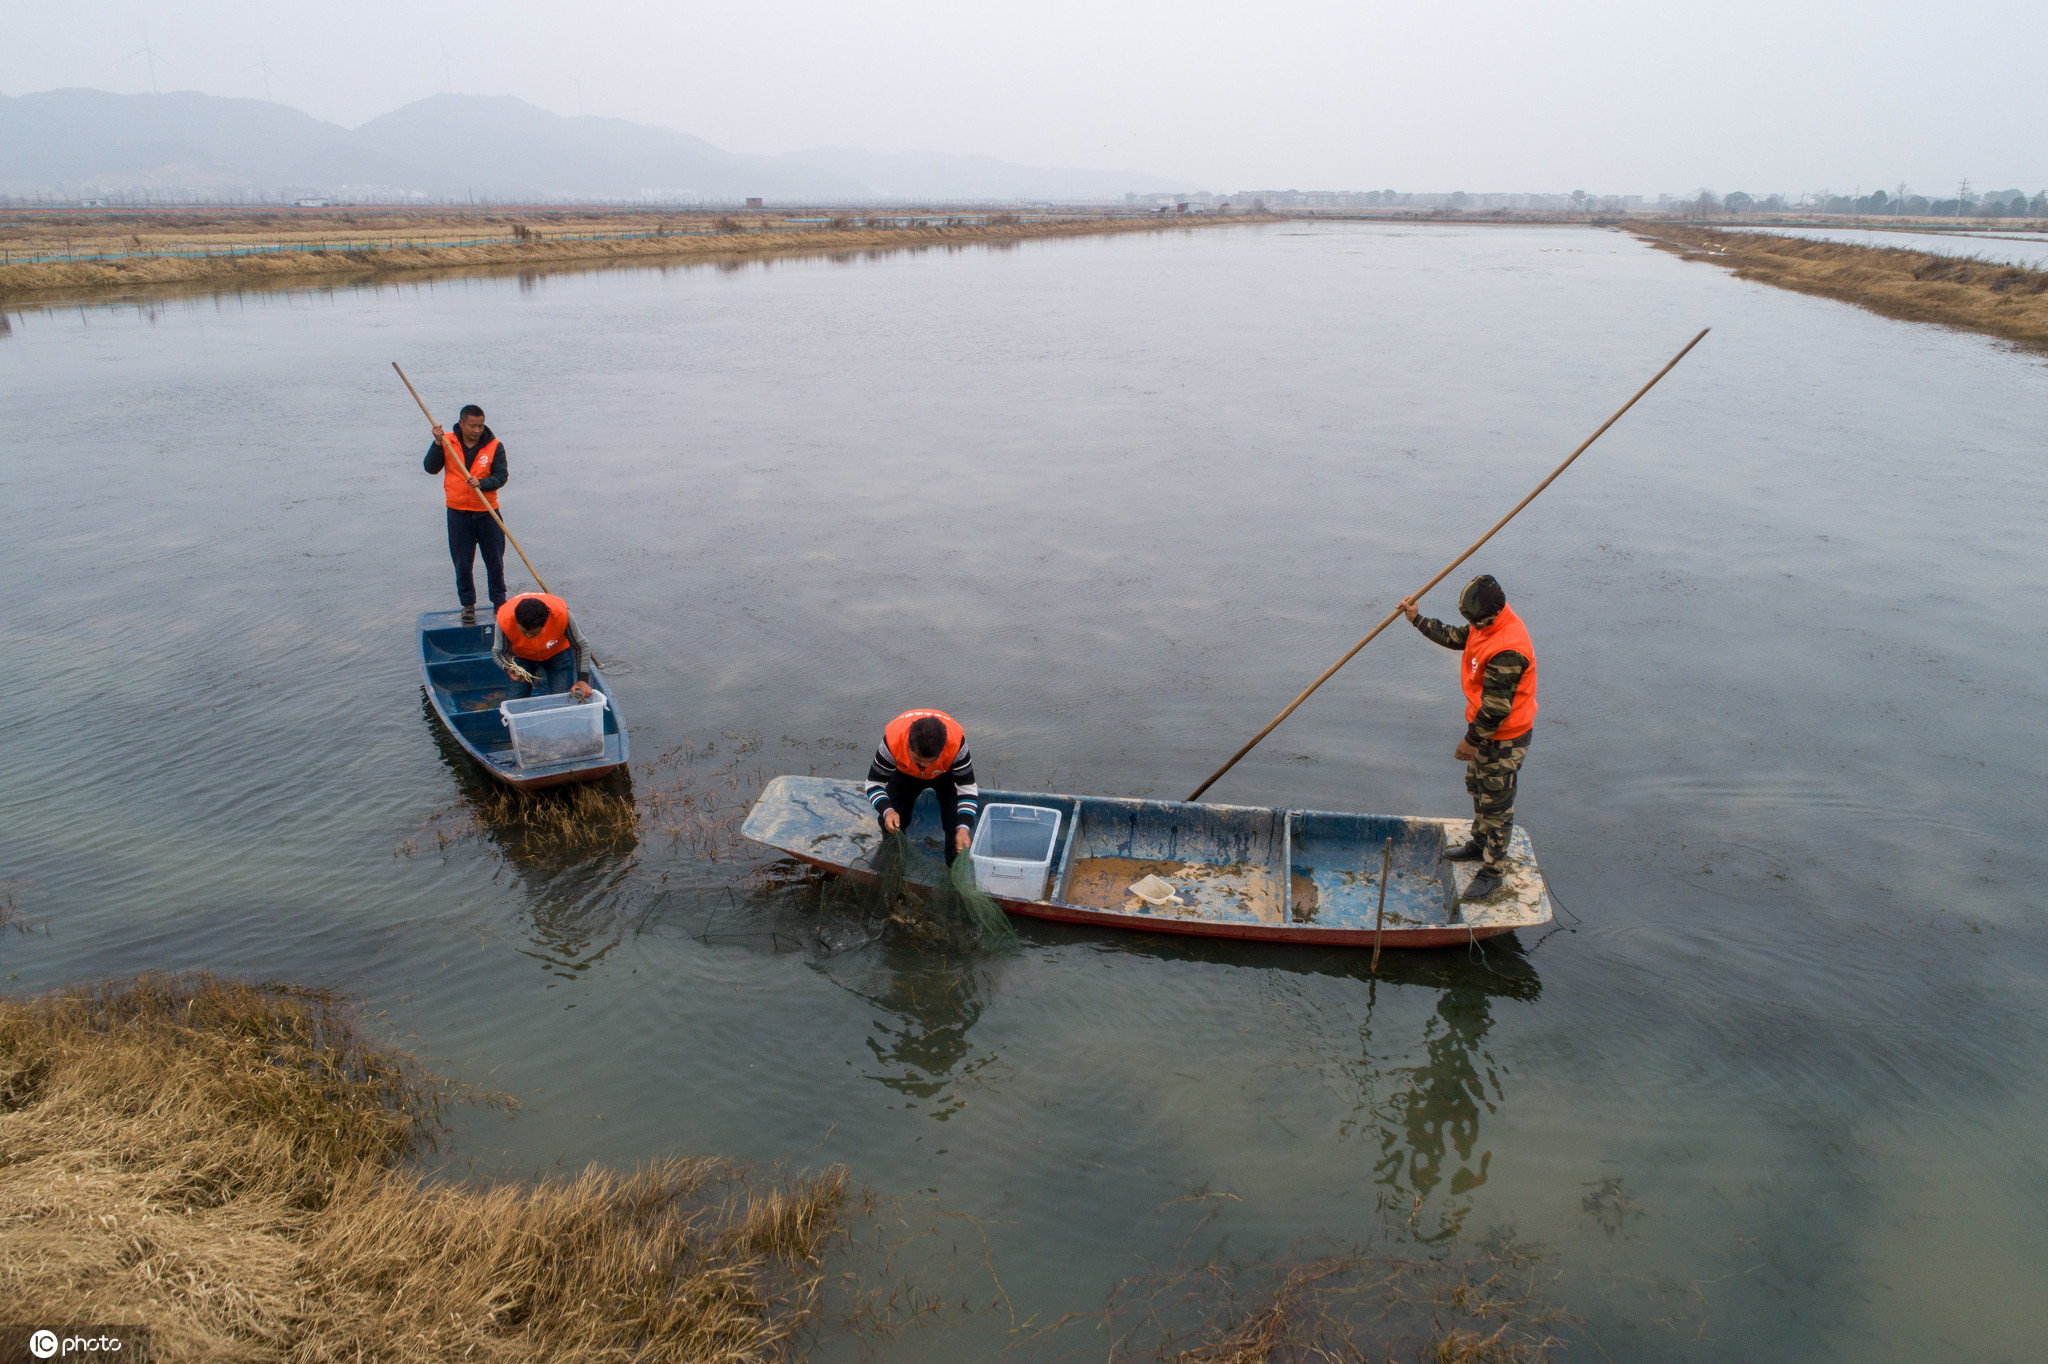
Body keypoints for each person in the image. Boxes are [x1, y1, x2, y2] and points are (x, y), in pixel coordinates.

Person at [1398, 574, 1537, 902]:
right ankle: (1479, 843)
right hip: (1486, 732)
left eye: (1473, 620)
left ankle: (1493, 870)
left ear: (1489, 615)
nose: (1470, 625)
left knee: (1497, 804)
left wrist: (1471, 742)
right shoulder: (1485, 623)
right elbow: (1457, 637)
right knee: (1477, 786)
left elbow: (1496, 709)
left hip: (1504, 737)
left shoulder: (1509, 648)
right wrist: (1417, 619)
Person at [424, 403, 509, 625]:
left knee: (495, 561)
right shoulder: (447, 442)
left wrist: (481, 483)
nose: (477, 430)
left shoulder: (494, 446)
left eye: (480, 426)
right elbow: (430, 468)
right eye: (472, 426)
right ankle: (468, 605)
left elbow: (501, 477)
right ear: (461, 424)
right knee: (462, 562)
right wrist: (436, 443)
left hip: (487, 512)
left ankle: (500, 603)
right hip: (458, 514)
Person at [864, 709, 979, 863]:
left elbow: (967, 788)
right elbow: (874, 782)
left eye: (930, 760)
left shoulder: (956, 744)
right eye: (918, 758)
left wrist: (964, 827)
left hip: (944, 773)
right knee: (892, 823)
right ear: (908, 745)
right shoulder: (893, 741)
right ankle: (895, 863)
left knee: (956, 826)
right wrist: (888, 810)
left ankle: (953, 869)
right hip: (905, 772)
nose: (924, 765)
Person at [493, 591, 594, 700]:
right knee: (515, 700)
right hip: (521, 657)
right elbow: (499, 651)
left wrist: (583, 679)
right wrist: (510, 668)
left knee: (562, 700)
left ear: (545, 622)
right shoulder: (504, 619)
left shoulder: (561, 614)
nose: (528, 636)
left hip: (557, 653)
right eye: (523, 631)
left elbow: (580, 645)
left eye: (533, 633)